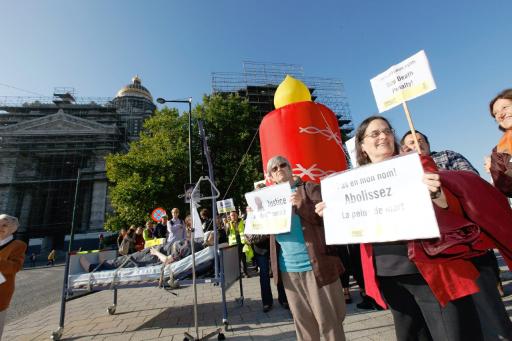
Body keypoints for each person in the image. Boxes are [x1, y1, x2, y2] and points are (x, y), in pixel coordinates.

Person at [316, 115, 494, 340]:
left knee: (451, 333)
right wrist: (331, 212)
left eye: (387, 131)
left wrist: (437, 192)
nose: (384, 136)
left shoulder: (416, 164)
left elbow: (449, 205)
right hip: (387, 273)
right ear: (362, 145)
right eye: (375, 133)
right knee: (412, 335)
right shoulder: (350, 182)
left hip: (429, 268)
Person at [267, 155, 346, 341]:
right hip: (288, 270)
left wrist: (302, 205)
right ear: (270, 176)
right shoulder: (268, 200)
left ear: (290, 167)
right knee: (303, 324)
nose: (279, 170)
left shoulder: (309, 188)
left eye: (282, 165)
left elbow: (327, 218)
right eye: (274, 169)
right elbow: (257, 236)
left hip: (315, 267)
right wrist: (255, 218)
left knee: (329, 322)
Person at [79, 231, 214, 273]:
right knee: (130, 257)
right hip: (159, 249)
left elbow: (168, 261)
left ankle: (93, 268)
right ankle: (106, 263)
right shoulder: (197, 244)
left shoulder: (192, 248)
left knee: (130, 261)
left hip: (155, 257)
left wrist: (156, 253)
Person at [400, 129, 479, 173]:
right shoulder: (403, 168)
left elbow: (472, 175)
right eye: (412, 143)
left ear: (428, 144)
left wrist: (436, 171)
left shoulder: (447, 155)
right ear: (404, 148)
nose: (417, 144)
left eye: (420, 140)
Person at [245, 233, 288, 313]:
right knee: (264, 275)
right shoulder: (251, 219)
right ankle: (267, 302)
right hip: (260, 249)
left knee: (278, 272)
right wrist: (266, 235)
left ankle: (283, 299)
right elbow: (249, 237)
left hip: (275, 247)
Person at [0, 214, 27, 340]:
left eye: (5, 225)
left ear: (13, 229)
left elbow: (15, 267)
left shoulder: (18, 245)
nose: (0, 227)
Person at [488, 88, 512, 197]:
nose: (500, 114)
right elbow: (503, 186)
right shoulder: (498, 152)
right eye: (496, 113)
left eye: (505, 107)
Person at [226, 211, 251, 278]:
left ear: (237, 215)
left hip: (242, 243)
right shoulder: (228, 224)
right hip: (234, 244)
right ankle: (237, 274)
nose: (233, 217)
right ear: (230, 217)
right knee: (236, 260)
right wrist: (227, 227)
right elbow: (227, 234)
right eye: (232, 215)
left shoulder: (242, 222)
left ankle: (245, 273)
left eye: (234, 215)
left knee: (243, 259)